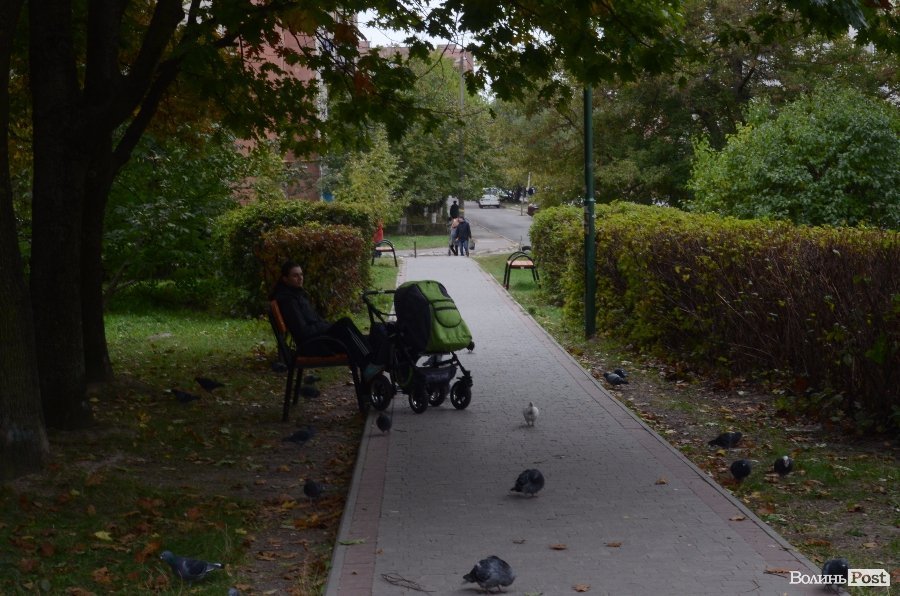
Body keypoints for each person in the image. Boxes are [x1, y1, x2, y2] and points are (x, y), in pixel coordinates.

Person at [271, 261, 383, 382]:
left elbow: (313, 321)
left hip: (320, 339)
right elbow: (302, 331)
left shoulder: (297, 295)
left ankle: (370, 372)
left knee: (372, 335)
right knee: (345, 324)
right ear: (285, 279)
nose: (300, 278)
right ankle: (368, 365)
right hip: (314, 345)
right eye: (295, 275)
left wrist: (327, 326)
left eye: (301, 274)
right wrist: (327, 327)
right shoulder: (288, 301)